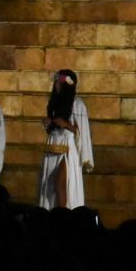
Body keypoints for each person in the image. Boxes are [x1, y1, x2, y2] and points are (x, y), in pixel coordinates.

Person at [39, 69, 94, 210]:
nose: (55, 85)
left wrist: (66, 125)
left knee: (60, 185)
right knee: (50, 188)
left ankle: (64, 219)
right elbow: (53, 130)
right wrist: (48, 124)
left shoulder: (77, 104)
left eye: (58, 82)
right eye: (55, 82)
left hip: (68, 149)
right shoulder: (55, 103)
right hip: (53, 147)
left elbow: (82, 131)